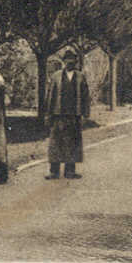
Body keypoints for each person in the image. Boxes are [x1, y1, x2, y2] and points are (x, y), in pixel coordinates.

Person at [44, 49, 90, 180]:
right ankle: (54, 171)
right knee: (55, 143)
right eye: (67, 61)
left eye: (72, 61)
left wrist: (85, 115)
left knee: (73, 143)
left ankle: (70, 171)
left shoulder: (81, 77)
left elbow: (86, 97)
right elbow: (50, 96)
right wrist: (48, 115)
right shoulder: (56, 77)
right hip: (58, 115)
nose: (70, 63)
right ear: (64, 62)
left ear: (75, 61)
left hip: (74, 115)